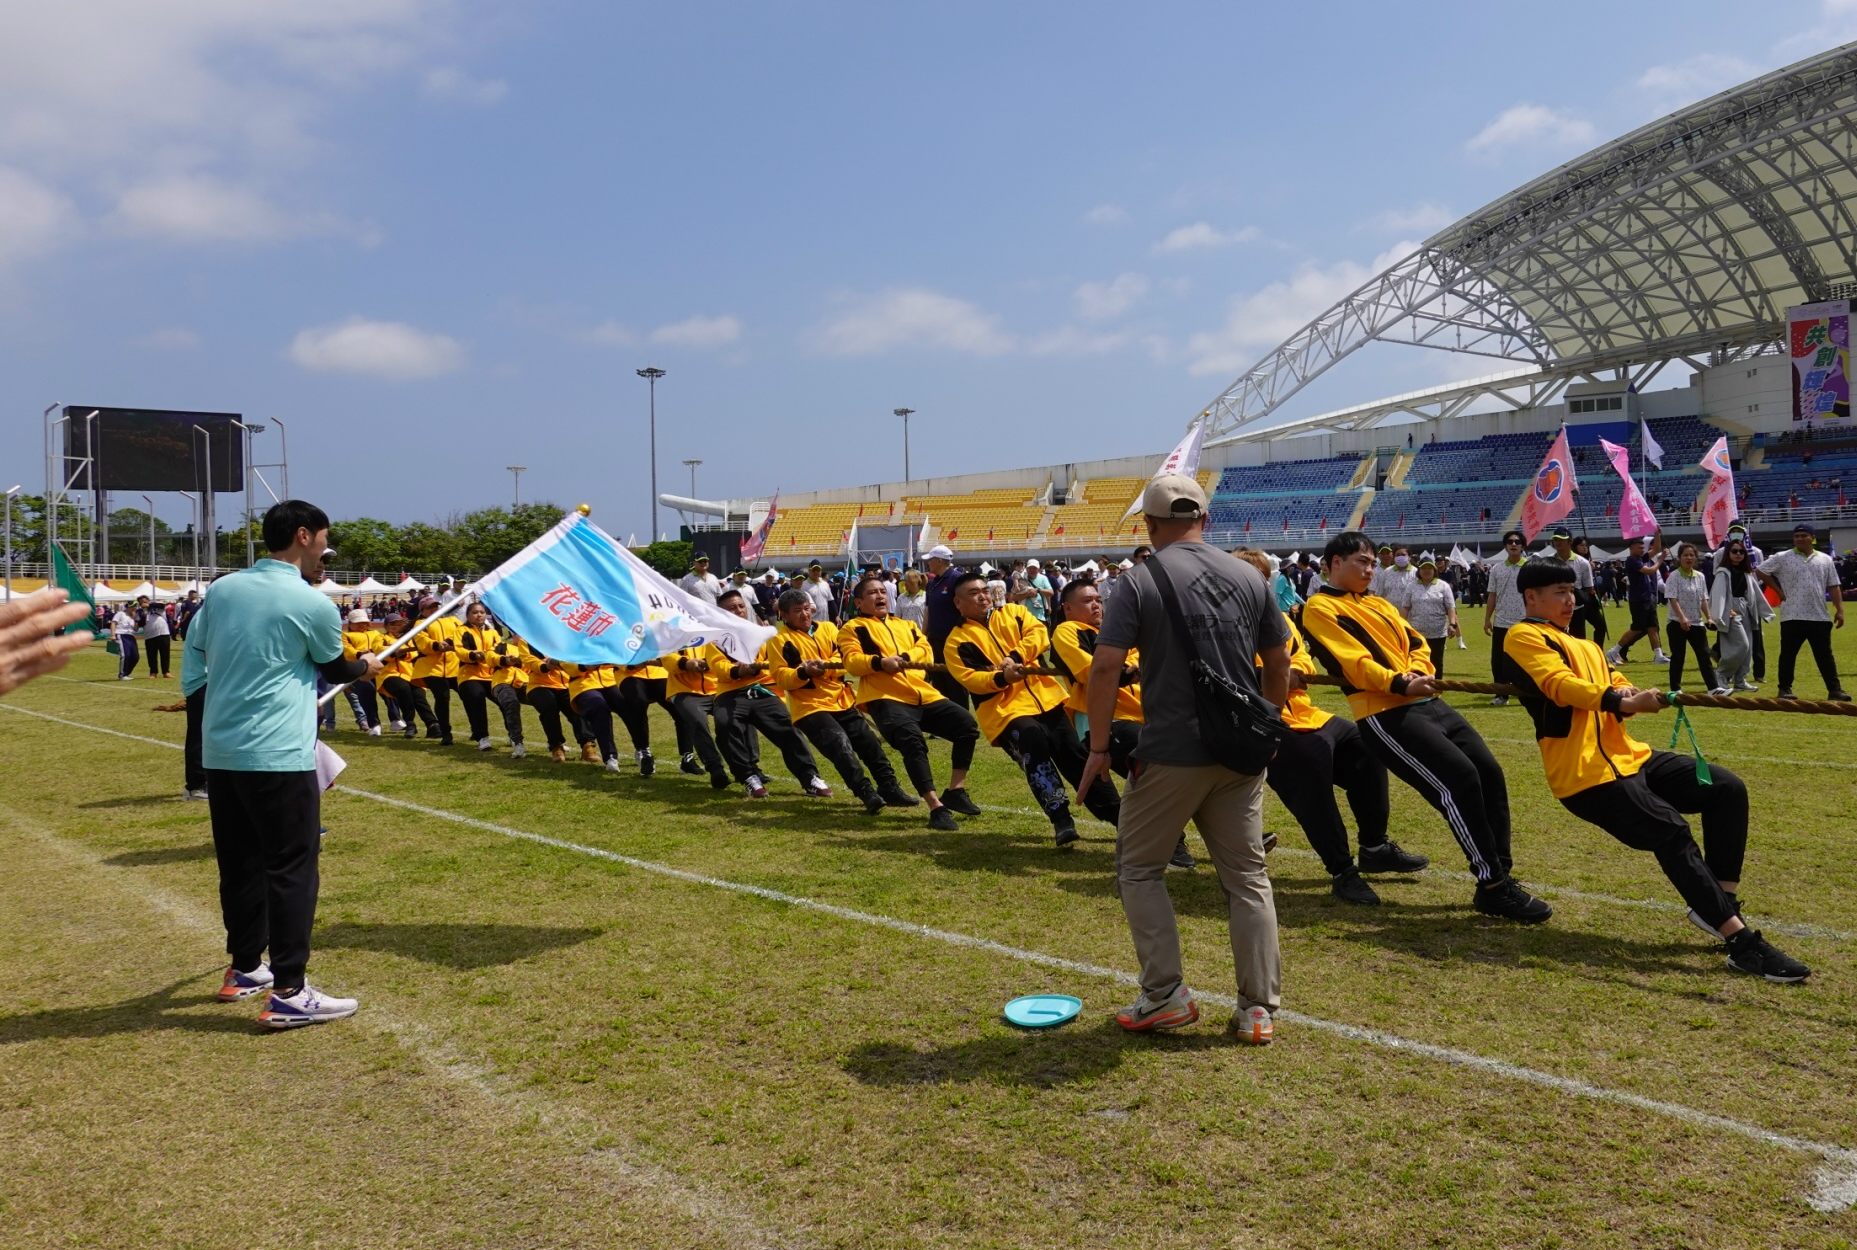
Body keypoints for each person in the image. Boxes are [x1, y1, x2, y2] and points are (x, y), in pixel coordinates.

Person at [1502, 559, 1808, 981]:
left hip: (1630, 756)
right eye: (1559, 592)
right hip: (1586, 775)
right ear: (1531, 597)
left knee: (1727, 789)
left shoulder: (1584, 644)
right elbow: (1560, 685)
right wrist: (1623, 700)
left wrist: (1631, 690)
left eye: (1572, 591)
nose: (1570, 600)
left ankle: (1720, 903)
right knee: (1671, 830)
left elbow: (1612, 677)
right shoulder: (1524, 636)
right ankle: (1741, 943)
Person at [1078, 474, 1290, 1044]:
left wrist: (1098, 748)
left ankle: (1164, 995)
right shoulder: (1250, 576)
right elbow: (1278, 663)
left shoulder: (1138, 580)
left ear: (1149, 524)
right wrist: (1267, 724)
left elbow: (1106, 666)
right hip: (1239, 752)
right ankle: (1258, 1010)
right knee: (1248, 878)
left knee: (1139, 869)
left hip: (1171, 751)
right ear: (1205, 517)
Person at [180, 499, 381, 1028]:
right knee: (292, 868)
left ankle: (246, 966)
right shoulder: (311, 603)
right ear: (303, 535)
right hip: (278, 754)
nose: (325, 552)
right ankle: (290, 989)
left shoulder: (223, 590)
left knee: (240, 864)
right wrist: (366, 665)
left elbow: (198, 650)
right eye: (324, 540)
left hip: (223, 751)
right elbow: (335, 666)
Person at [1302, 530, 1550, 925]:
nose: (1370, 570)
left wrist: (1419, 670)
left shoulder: (1379, 604)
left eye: (1372, 563)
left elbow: (1417, 641)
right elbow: (1353, 662)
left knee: (1489, 773)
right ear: (1335, 563)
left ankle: (1500, 872)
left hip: (1428, 701)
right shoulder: (1319, 608)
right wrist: (1400, 683)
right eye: (1361, 562)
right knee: (1459, 781)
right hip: (1385, 712)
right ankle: (1493, 886)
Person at [1230, 549, 1427, 905]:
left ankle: (1374, 847)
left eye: (1261, 576)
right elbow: (1229, 675)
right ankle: (1342, 871)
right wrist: (1272, 676)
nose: (1258, 583)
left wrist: (1290, 673)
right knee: (1310, 775)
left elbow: (1302, 664)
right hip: (1263, 724)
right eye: (1248, 577)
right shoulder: (1221, 625)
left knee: (1367, 748)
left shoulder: (1281, 620)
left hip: (1308, 715)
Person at [944, 570, 1119, 848]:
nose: (982, 597)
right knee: (1032, 741)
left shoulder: (1014, 612)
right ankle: (1061, 819)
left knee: (1076, 755)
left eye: (984, 591)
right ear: (957, 602)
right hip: (1006, 712)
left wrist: (1014, 656)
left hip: (1049, 699)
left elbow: (1039, 634)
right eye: (973, 594)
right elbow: (971, 679)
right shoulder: (956, 642)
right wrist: (1002, 678)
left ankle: (1119, 816)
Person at [1049, 579, 1194, 870]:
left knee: (1182, 772)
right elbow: (1093, 671)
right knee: (1157, 770)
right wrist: (1128, 671)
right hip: (1104, 722)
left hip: (1143, 716)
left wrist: (1137, 665)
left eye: (1098, 600)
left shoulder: (1115, 633)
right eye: (1087, 600)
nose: (1095, 605)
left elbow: (1144, 655)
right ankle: (1172, 844)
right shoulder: (1067, 631)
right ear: (1067, 608)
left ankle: (1229, 836)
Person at [835, 575, 982, 831]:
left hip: (923, 694)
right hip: (886, 698)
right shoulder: (853, 628)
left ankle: (956, 790)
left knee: (966, 725)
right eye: (872, 593)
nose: (880, 596)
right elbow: (852, 662)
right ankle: (936, 806)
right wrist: (880, 662)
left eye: (883, 591)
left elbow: (925, 649)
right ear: (858, 602)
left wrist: (903, 657)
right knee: (913, 743)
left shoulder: (906, 625)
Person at [763, 588, 909, 816]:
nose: (804, 614)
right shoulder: (778, 640)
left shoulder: (829, 628)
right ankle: (865, 792)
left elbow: (844, 657)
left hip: (842, 699)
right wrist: (803, 672)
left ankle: (889, 787)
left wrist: (825, 666)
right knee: (840, 747)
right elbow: (781, 677)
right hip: (810, 707)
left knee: (869, 743)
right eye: (797, 611)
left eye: (806, 609)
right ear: (784, 614)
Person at [708, 588, 830, 799]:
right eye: (732, 608)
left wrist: (756, 667)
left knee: (788, 729)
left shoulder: (763, 633)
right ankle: (748, 776)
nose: (738, 611)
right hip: (731, 692)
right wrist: (738, 671)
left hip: (762, 689)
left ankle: (810, 777)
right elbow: (718, 666)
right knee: (724, 724)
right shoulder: (715, 640)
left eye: (741, 606)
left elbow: (774, 660)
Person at [1757, 522, 1849, 700]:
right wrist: (1778, 590)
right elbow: (1761, 571)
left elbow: (1834, 585)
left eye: (1804, 535)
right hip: (1792, 615)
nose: (1799, 539)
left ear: (1812, 538)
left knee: (1825, 656)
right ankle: (1785, 689)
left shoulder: (1825, 559)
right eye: (1796, 536)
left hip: (1819, 616)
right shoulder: (1782, 557)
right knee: (1788, 655)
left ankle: (1835, 690)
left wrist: (1840, 610)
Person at [1661, 544, 1723, 695]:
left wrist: (1709, 618)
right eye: (1685, 555)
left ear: (1695, 558)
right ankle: (1675, 689)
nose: (1688, 558)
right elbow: (1672, 599)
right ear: (1679, 558)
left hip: (1697, 623)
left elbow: (1703, 599)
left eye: (1691, 555)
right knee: (1678, 657)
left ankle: (1713, 688)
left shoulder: (1700, 576)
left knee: (1704, 655)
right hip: (1676, 623)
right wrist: (1682, 618)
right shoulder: (1674, 576)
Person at [1710, 538, 1769, 692]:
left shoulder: (1747, 573)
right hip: (1730, 612)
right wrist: (1721, 614)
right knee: (1742, 645)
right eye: (1734, 551)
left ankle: (1740, 680)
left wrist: (1765, 612)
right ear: (1728, 553)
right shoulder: (1723, 573)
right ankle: (1721, 674)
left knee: (1748, 648)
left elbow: (1756, 593)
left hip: (1746, 610)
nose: (1738, 554)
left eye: (1741, 551)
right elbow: (1718, 595)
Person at [1607, 534, 1670, 667]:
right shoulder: (1632, 560)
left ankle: (1658, 655)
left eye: (1643, 548)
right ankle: (1614, 651)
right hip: (1638, 599)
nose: (1642, 550)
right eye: (1639, 548)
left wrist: (1657, 533)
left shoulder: (1640, 558)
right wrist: (1660, 560)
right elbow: (1649, 570)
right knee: (1637, 628)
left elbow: (1656, 549)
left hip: (1647, 598)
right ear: (1631, 548)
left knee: (1653, 627)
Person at [920, 544, 970, 708]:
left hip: (953, 640)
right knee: (939, 680)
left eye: (931, 560)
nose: (928, 563)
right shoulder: (932, 583)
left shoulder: (957, 579)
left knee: (954, 681)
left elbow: (966, 608)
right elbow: (928, 610)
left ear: (940, 561)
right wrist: (923, 634)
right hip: (935, 639)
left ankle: (961, 715)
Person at [1481, 529, 1528, 706]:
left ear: (1523, 546)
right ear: (1505, 546)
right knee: (1499, 660)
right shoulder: (1496, 569)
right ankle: (1501, 695)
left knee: (1524, 659)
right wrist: (1487, 619)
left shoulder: (1530, 567)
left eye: (1517, 542)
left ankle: (1526, 692)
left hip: (1525, 622)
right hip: (1501, 622)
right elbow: (1492, 595)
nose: (1513, 544)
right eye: (1510, 542)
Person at [455, 601, 508, 752]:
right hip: (470, 675)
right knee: (476, 700)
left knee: (507, 701)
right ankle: (482, 737)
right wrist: (473, 655)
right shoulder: (461, 630)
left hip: (491, 675)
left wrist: (490, 655)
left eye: (482, 612)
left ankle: (514, 735)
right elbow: (460, 650)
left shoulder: (492, 632)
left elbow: (499, 648)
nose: (479, 615)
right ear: (467, 615)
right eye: (475, 612)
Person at [409, 596, 462, 744]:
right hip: (431, 669)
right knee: (442, 697)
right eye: (429, 607)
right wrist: (437, 645)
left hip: (454, 666)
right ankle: (446, 733)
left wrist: (450, 642)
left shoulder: (452, 620)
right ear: (422, 611)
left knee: (470, 696)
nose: (434, 609)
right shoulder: (419, 624)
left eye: (435, 606)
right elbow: (423, 642)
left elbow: (461, 633)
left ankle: (477, 731)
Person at [376, 614, 438, 741]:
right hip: (389, 674)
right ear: (386, 626)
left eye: (399, 623)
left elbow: (414, 653)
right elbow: (380, 651)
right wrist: (396, 653)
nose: (396, 626)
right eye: (392, 624)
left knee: (419, 696)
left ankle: (432, 724)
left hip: (410, 674)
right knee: (403, 689)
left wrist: (404, 653)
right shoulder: (381, 638)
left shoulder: (409, 638)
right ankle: (410, 723)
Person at [522, 646, 588, 763]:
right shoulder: (528, 640)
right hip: (538, 684)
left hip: (565, 684)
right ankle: (556, 746)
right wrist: (545, 666)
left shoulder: (561, 638)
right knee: (549, 707)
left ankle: (587, 745)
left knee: (577, 708)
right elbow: (527, 660)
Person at [1403, 556, 1459, 675]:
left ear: (1434, 570)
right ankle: (1419, 686)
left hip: (1437, 633)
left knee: (1436, 662)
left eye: (1430, 568)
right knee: (1418, 662)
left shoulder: (1443, 586)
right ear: (1419, 570)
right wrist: (1402, 626)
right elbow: (1406, 608)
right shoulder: (1411, 586)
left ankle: (1436, 686)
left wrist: (1452, 624)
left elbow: (1450, 607)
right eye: (1424, 568)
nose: (1427, 571)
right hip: (1416, 633)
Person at [339, 609, 386, 736]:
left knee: (388, 692)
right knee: (367, 693)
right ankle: (374, 724)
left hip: (379, 668)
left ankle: (396, 719)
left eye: (364, 622)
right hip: (359, 670)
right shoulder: (345, 635)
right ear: (350, 623)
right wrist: (359, 654)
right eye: (357, 622)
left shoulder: (376, 633)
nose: (361, 625)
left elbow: (382, 645)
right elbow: (346, 650)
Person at [141, 594, 173, 678]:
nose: (143, 603)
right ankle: (153, 672)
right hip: (149, 635)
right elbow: (140, 623)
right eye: (141, 602)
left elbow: (162, 606)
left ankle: (166, 672)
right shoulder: (140, 611)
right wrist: (143, 613)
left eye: (145, 601)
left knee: (165, 653)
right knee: (151, 655)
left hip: (163, 632)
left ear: (148, 601)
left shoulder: (156, 607)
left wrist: (148, 606)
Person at [111, 602, 139, 681]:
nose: (134, 608)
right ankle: (122, 675)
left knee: (135, 657)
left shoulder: (133, 617)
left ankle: (127, 673)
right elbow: (113, 623)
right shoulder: (120, 614)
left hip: (131, 636)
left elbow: (136, 629)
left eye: (135, 607)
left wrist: (136, 620)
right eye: (132, 607)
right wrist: (113, 635)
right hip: (121, 634)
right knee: (125, 655)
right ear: (128, 607)